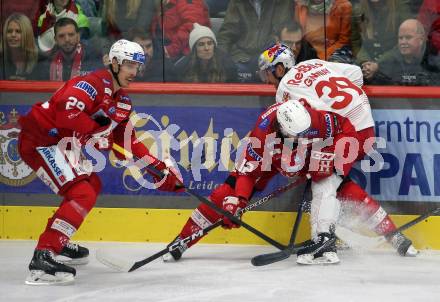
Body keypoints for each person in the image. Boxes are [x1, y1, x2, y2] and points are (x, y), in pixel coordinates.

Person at [18, 39, 184, 285]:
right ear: (114, 62)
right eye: (129, 65)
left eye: (138, 67)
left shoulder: (123, 103)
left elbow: (128, 145)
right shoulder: (91, 84)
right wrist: (99, 132)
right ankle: (43, 257)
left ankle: (57, 241)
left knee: (91, 185)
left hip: (62, 144)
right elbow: (67, 116)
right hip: (42, 139)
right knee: (82, 192)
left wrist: (158, 169)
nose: (134, 72)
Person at [257, 43, 418, 263]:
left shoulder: (284, 91)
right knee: (339, 184)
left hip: (345, 130)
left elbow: (307, 123)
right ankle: (394, 235)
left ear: (278, 69)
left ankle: (324, 241)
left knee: (322, 180)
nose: (266, 80)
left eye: (267, 72)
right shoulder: (312, 63)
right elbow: (355, 73)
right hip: (365, 123)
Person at [217, 0, 293, 82]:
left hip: (269, 55)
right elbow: (226, 34)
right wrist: (222, 58)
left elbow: (281, 32)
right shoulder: (238, 2)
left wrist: (263, 57)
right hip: (241, 57)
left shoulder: (281, 2)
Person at [365, 19, 439, 85]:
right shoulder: (390, 61)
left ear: (421, 40)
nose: (403, 42)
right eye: (400, 38)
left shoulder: (435, 61)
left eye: (408, 37)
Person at [352, 0, 412, 81]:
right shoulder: (359, 10)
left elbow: (407, 42)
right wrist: (364, 62)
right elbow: (356, 41)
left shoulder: (401, 7)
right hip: (366, 67)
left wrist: (378, 64)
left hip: (394, 65)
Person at [173, 23, 239, 83]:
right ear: (194, 49)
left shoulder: (228, 65)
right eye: (201, 44)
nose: (206, 48)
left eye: (210, 43)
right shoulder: (182, 68)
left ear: (214, 45)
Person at [0, 13, 40, 80]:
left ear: (27, 34)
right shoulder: (1, 57)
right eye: (9, 31)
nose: (13, 35)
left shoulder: (41, 60)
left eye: (18, 31)